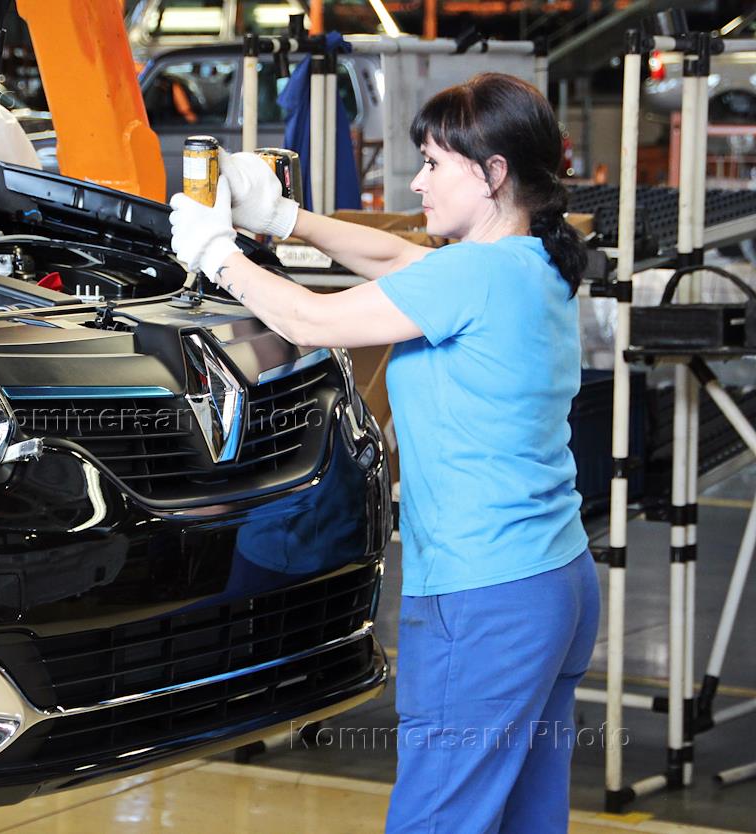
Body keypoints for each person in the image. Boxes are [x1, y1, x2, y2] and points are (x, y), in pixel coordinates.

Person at [168, 72, 599, 834]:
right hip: (554, 584)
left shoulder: (469, 275)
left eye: (433, 163)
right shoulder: (533, 263)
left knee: (437, 819)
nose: (417, 182)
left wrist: (218, 253)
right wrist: (289, 219)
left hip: (482, 597)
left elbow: (308, 321)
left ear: (493, 173)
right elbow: (398, 260)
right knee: (526, 819)